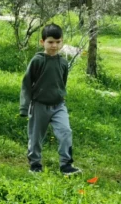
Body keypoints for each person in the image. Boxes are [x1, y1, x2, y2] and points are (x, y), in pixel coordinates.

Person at [20, 23, 81, 175]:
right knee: (35, 137)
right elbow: (26, 84)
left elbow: (62, 83)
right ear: (43, 42)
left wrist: (59, 96)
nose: (54, 45)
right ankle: (35, 164)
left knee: (65, 131)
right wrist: (24, 106)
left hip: (58, 105)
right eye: (50, 42)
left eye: (58, 42)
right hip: (39, 105)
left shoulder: (63, 63)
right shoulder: (37, 61)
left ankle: (66, 165)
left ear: (62, 42)